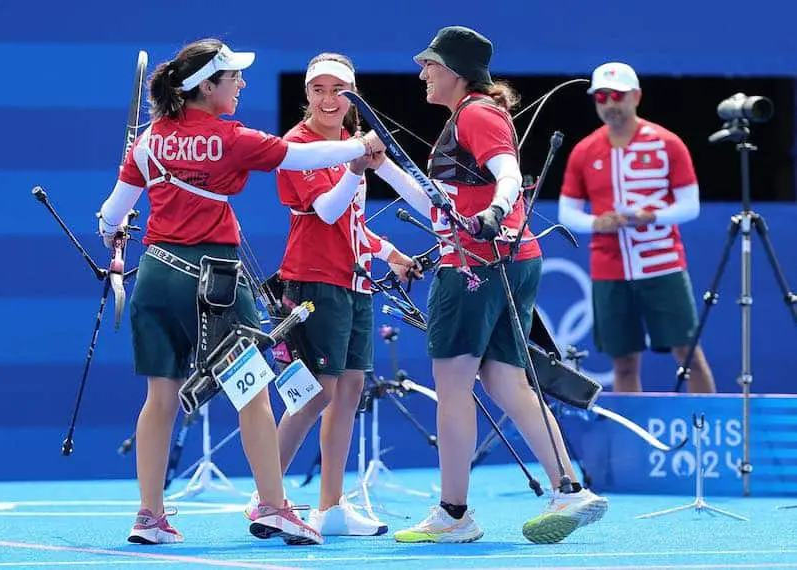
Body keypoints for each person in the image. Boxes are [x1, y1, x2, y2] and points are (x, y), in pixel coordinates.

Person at [96, 38, 385, 546]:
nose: (243, 84)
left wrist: (116, 232)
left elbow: (110, 217)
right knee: (251, 389)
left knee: (159, 397)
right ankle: (274, 507)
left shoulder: (149, 140)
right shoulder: (231, 137)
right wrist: (360, 148)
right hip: (215, 283)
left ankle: (149, 515)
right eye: (234, 78)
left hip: (156, 275)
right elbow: (300, 155)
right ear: (207, 87)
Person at [372, 26, 609, 544]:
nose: (422, 73)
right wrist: (384, 167)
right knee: (506, 381)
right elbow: (444, 207)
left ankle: (454, 514)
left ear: (455, 72)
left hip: (475, 268)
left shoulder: (477, 114)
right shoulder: (468, 116)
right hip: (510, 261)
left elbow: (507, 173)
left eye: (430, 65)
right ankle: (569, 489)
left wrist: (499, 210)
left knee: (453, 388)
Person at [242, 52, 418, 537]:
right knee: (317, 393)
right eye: (318, 89)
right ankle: (266, 497)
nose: (327, 99)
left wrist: (392, 255)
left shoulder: (348, 145)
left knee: (350, 391)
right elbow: (323, 210)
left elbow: (353, 224)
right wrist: (358, 168)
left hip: (356, 282)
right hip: (314, 281)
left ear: (351, 97)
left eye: (337, 90)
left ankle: (331, 506)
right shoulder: (296, 145)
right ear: (306, 95)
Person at [558, 61, 716, 394]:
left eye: (618, 95)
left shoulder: (667, 143)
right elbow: (567, 213)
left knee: (688, 355)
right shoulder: (584, 151)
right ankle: (632, 444)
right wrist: (597, 223)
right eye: (602, 96)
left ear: (636, 97)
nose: (610, 104)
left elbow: (691, 206)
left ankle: (709, 437)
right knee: (624, 363)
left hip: (662, 263)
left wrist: (652, 217)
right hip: (609, 269)